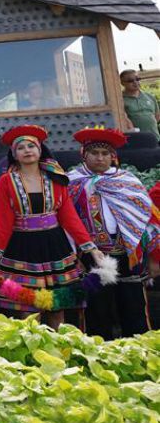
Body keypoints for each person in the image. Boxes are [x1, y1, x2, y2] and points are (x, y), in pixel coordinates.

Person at [0, 125, 105, 330]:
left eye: (31, 146)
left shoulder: (55, 179)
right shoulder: (7, 182)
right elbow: (1, 218)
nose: (27, 151)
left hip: (54, 245)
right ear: (14, 154)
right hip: (23, 247)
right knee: (28, 311)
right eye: (21, 148)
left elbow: (69, 217)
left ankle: (59, 347)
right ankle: (30, 346)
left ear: (40, 150)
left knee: (57, 308)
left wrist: (90, 247)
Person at [67, 126, 156, 338]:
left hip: (127, 253)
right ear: (84, 155)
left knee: (133, 307)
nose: (100, 158)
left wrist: (152, 256)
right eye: (94, 153)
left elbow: (145, 218)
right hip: (91, 255)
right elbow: (66, 221)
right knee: (96, 310)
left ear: (113, 156)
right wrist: (74, 256)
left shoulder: (128, 182)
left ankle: (139, 350)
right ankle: (99, 352)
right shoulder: (72, 183)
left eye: (105, 153)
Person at [120, 70, 160, 141]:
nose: (135, 82)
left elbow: (157, 117)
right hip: (135, 140)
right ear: (122, 83)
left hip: (155, 138)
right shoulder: (120, 100)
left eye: (137, 79)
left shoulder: (150, 97)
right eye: (130, 80)